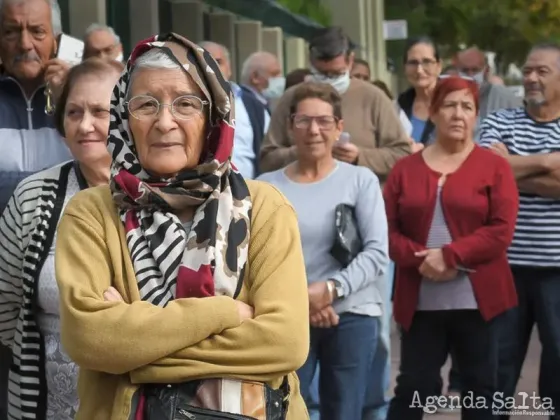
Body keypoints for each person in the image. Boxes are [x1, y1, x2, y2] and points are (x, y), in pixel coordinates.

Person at [54, 33, 309, 420]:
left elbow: (285, 343)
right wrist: (225, 314)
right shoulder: (90, 213)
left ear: (213, 116)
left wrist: (134, 356)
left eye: (186, 103)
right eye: (145, 105)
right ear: (125, 117)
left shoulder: (265, 208)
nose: (164, 121)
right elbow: (90, 340)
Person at [384, 76, 519, 420]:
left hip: (479, 301)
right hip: (421, 299)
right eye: (449, 105)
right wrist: (422, 258)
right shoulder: (404, 170)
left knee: (480, 389)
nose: (458, 114)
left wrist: (449, 255)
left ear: (476, 115)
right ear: (433, 111)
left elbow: (502, 230)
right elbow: (387, 230)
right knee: (413, 387)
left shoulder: (495, 167)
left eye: (467, 106)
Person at [0, 57, 123, 420]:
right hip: (46, 403)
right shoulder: (32, 195)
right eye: (74, 112)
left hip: (138, 402)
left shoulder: (158, 193)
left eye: (100, 112)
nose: (85, 125)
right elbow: (5, 302)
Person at [258, 82, 388, 420]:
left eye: (324, 121)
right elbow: (257, 258)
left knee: (344, 412)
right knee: (284, 410)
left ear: (339, 128)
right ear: (290, 126)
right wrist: (305, 298)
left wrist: (330, 290)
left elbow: (376, 253)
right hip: (287, 316)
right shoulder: (267, 187)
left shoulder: (361, 181)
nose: (314, 130)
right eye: (303, 121)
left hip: (352, 313)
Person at [479, 42, 560, 419]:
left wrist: (510, 166)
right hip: (505, 267)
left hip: (557, 271)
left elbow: (501, 174)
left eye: (541, 71)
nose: (530, 78)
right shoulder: (499, 122)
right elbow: (483, 175)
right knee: (498, 365)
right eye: (528, 70)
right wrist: (546, 162)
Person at [0, 0, 73, 416]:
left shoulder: (77, 103)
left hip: (61, 296)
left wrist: (67, 96)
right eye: (11, 31)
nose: (24, 43)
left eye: (37, 32)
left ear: (58, 41)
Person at [260, 26, 410, 182]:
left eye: (336, 73)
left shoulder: (374, 98)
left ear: (350, 61)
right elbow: (267, 159)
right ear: (310, 62)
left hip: (358, 198)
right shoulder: (291, 98)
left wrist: (360, 156)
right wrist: (303, 151)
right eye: (321, 73)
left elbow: (403, 153)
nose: (329, 79)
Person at [200, 40, 269, 179]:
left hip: (248, 192)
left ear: (229, 68)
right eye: (204, 62)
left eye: (218, 62)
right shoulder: (181, 105)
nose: (211, 68)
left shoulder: (253, 106)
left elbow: (269, 150)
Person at [455, 47, 521, 142]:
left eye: (475, 70)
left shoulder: (503, 97)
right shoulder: (449, 98)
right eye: (465, 70)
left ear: (486, 70)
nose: (470, 75)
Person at [397, 36, 442, 152]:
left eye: (427, 62)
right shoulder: (397, 106)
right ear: (404, 67)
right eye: (413, 63)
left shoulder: (453, 103)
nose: (419, 70)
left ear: (439, 66)